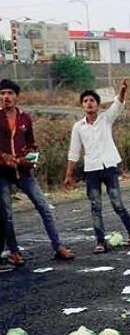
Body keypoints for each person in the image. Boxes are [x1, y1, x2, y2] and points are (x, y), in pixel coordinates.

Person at [0, 79, 75, 263]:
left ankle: (58, 247)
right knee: (6, 214)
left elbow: (32, 145)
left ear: (16, 96)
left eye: (9, 93)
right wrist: (4, 157)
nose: (5, 97)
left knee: (44, 207)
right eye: (2, 94)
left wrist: (32, 158)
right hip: (2, 173)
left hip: (24, 172)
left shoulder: (25, 118)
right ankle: (14, 252)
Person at [63, 80, 130, 254]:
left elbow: (118, 104)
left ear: (97, 105)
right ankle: (100, 241)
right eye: (85, 101)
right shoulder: (78, 127)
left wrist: (122, 91)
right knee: (95, 206)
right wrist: (69, 174)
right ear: (82, 105)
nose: (89, 103)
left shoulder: (106, 119)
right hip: (91, 170)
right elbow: (74, 152)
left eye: (92, 100)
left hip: (109, 166)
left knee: (117, 203)